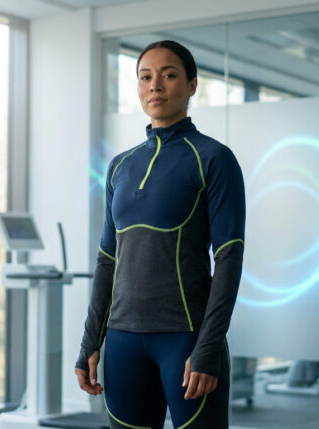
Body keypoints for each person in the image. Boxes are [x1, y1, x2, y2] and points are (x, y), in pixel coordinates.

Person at [75, 40, 245, 429]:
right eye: (145, 77)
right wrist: (89, 343)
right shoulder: (120, 167)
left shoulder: (213, 159)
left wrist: (207, 348)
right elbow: (107, 260)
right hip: (122, 342)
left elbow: (229, 258)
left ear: (191, 85)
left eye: (169, 75)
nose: (156, 86)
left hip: (186, 339)